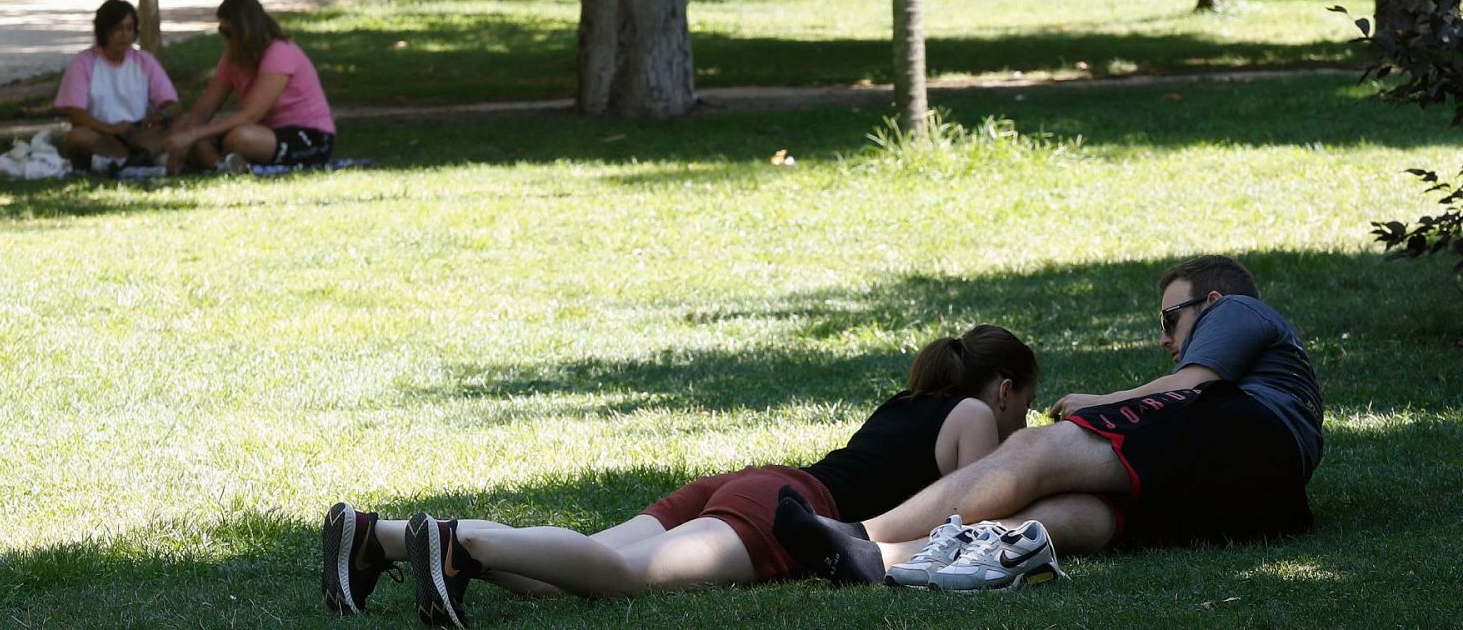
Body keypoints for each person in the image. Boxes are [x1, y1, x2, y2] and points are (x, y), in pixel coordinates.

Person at [319, 325, 1041, 626]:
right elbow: (967, 520)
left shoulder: (913, 400)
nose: (1022, 433)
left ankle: (375, 536)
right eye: (1026, 411)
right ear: (1005, 387)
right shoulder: (979, 416)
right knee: (625, 576)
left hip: (755, 485)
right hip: (787, 509)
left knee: (567, 572)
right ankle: (456, 543)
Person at [772, 255, 1323, 593]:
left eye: (1169, 318)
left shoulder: (1242, 312)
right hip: (1267, 502)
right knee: (1082, 516)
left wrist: (1098, 403)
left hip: (1252, 434)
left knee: (1038, 449)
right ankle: (883, 561)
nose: (1164, 338)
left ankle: (862, 533)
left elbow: (1191, 385)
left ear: (1214, 301)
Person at [163, 0, 335, 174]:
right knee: (183, 125)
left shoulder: (280, 52)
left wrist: (193, 135)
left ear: (245, 31)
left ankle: (220, 163)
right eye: (221, 30)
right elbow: (204, 109)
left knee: (239, 138)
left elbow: (251, 114)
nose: (224, 38)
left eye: (227, 32)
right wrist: (181, 144)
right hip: (264, 131)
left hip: (307, 135)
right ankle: (222, 165)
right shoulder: (232, 58)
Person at [54, 0, 181, 172]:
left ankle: (134, 159)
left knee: (184, 123)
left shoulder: (144, 61)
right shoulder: (83, 62)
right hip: (101, 132)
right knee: (78, 137)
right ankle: (134, 160)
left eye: (129, 28)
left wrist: (159, 116)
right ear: (104, 31)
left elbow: (173, 105)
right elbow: (76, 114)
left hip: (139, 133)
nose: (125, 35)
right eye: (118, 29)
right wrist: (110, 129)